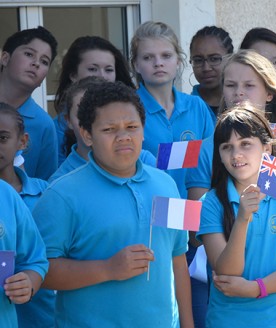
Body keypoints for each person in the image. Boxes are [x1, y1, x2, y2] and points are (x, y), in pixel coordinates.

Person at [32, 81, 193, 327]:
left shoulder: (168, 184)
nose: (123, 137)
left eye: (131, 127)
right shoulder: (60, 194)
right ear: (87, 135)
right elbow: (39, 271)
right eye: (109, 129)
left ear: (143, 129)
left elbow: (178, 259)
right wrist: (108, 269)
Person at [197, 105, 276, 327]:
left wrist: (256, 288)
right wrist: (242, 218)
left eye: (245, 144)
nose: (236, 155)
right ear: (219, 155)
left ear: (266, 148)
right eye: (227, 147)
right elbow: (227, 272)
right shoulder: (212, 201)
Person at [186, 50, 276, 201]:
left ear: (269, 94)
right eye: (230, 85)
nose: (238, 92)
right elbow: (199, 216)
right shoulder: (207, 148)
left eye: (249, 85)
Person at [131, 21, 215, 199]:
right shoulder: (127, 109)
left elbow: (212, 160)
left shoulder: (197, 106)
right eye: (148, 57)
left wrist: (161, 157)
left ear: (178, 60)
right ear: (136, 64)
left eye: (166, 55)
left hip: (197, 209)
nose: (158, 63)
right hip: (148, 211)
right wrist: (190, 153)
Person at [49, 76, 156, 183]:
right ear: (68, 121)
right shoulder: (60, 184)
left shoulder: (147, 161)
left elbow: (166, 192)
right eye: (82, 115)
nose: (90, 121)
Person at [0, 103, 50, 328]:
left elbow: (35, 260)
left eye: (2, 138)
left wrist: (28, 281)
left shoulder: (8, 196)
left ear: (22, 141)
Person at [53, 36, 136, 165]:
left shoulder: (134, 113)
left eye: (109, 70)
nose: (102, 76)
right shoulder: (57, 128)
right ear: (73, 75)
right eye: (92, 69)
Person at [0, 26, 58, 180]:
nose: (36, 63)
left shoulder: (44, 124)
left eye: (44, 61)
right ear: (5, 58)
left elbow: (44, 184)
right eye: (29, 54)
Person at [189, 25, 234, 117]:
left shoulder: (243, 104)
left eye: (214, 59)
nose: (206, 68)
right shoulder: (185, 109)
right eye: (198, 60)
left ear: (230, 59)